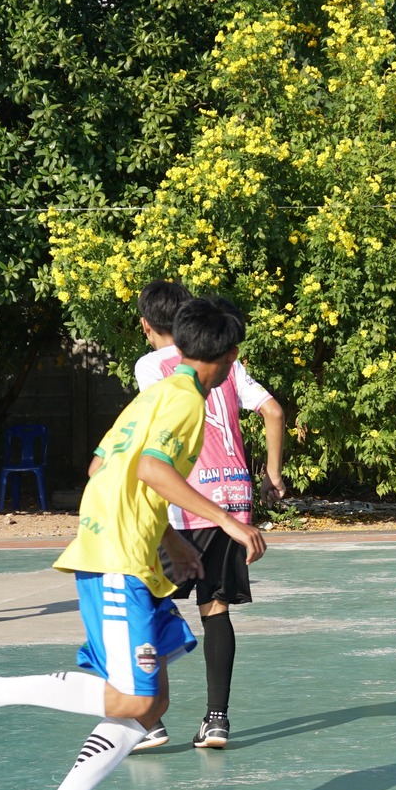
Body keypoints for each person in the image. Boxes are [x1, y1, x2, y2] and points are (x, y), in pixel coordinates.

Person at [0, 297, 266, 790]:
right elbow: (149, 468)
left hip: (130, 552)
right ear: (231, 357)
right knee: (133, 701)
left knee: (152, 702)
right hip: (115, 557)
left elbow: (107, 468)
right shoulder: (186, 403)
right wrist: (226, 524)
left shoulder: (156, 393)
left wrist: (172, 538)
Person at [128, 280, 285, 750]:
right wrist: (271, 473)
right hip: (232, 496)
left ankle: (149, 721)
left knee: (148, 603)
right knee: (214, 609)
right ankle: (216, 719)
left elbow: (155, 434)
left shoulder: (153, 365)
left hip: (184, 498)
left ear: (147, 326)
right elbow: (273, 411)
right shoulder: (228, 363)